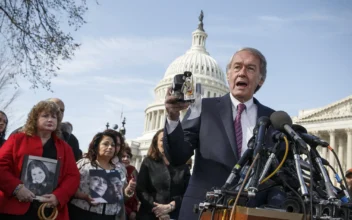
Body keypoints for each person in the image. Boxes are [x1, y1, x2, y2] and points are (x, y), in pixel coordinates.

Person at [163, 47, 286, 219]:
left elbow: (280, 177)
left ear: (261, 80)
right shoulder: (202, 107)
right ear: (228, 75)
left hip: (251, 214)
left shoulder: (274, 120)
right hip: (203, 211)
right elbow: (177, 156)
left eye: (250, 68)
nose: (242, 73)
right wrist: (173, 117)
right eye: (237, 67)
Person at [0, 100, 80, 219]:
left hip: (48, 211)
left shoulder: (65, 148)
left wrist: (58, 196)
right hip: (14, 208)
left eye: (54, 117)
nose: (50, 120)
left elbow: (73, 176)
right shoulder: (17, 139)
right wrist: (16, 188)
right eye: (45, 115)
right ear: (35, 118)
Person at [69, 130, 136, 220]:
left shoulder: (120, 169)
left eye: (113, 145)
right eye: (106, 144)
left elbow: (121, 196)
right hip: (83, 213)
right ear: (96, 146)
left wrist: (128, 190)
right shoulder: (84, 164)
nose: (110, 147)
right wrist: (84, 197)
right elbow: (69, 187)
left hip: (110, 216)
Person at [136, 129, 191, 220]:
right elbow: (141, 189)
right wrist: (158, 210)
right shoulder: (148, 162)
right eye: (162, 140)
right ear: (156, 143)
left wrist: (172, 206)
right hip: (150, 215)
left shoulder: (183, 165)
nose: (166, 142)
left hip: (175, 215)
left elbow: (188, 192)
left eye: (169, 139)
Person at [11, 98, 82, 161]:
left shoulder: (71, 140)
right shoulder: (18, 134)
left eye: (62, 110)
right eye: (54, 107)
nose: (59, 112)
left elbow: (73, 169)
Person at [121, 145, 139, 220]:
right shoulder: (114, 170)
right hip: (122, 211)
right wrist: (129, 211)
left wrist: (134, 210)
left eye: (128, 156)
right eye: (123, 156)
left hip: (133, 210)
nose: (126, 159)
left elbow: (137, 192)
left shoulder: (133, 170)